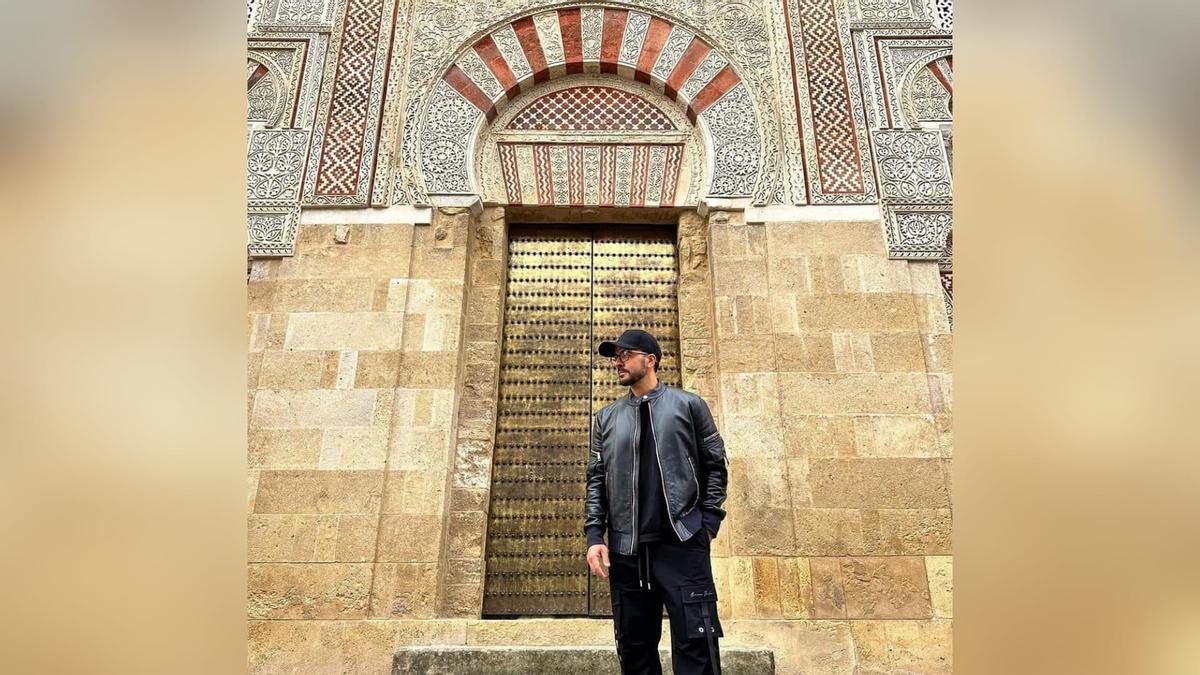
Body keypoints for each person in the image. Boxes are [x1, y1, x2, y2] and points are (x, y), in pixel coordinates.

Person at [584, 329, 730, 675]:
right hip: (628, 551)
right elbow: (596, 481)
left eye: (624, 355)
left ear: (650, 360)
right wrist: (594, 537)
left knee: (697, 647)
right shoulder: (606, 419)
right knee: (634, 651)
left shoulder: (689, 405)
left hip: (681, 545)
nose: (617, 362)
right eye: (614, 356)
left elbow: (715, 464)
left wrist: (707, 522)